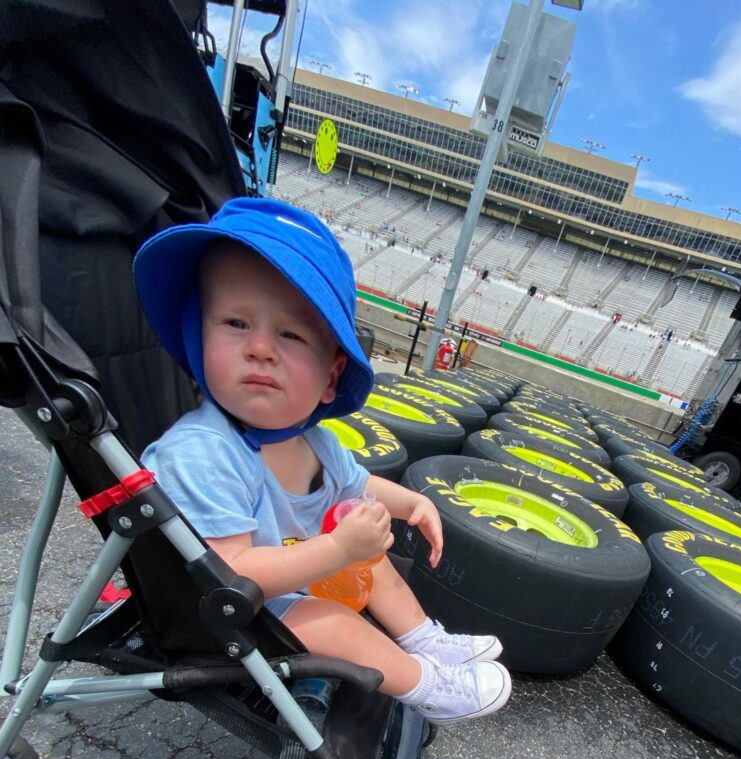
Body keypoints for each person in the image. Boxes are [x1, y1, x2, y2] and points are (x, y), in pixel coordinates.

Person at [135, 197, 511, 724]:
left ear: (331, 377)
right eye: (237, 323)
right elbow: (229, 574)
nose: (261, 348)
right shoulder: (201, 452)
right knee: (332, 619)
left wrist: (412, 504)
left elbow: (357, 485)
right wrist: (336, 549)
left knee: (370, 557)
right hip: (233, 611)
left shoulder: (313, 441)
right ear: (199, 337)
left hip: (292, 573)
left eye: (290, 334)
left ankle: (424, 638)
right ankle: (426, 685)